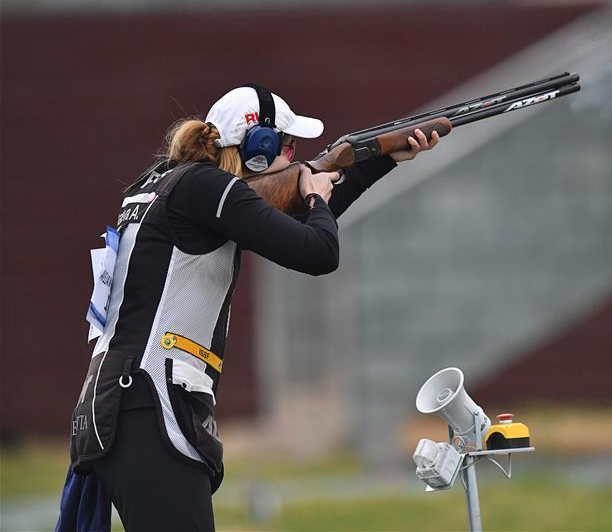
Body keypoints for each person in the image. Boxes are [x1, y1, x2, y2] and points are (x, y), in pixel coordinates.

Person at [61, 84, 439, 531]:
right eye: (287, 144)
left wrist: (382, 159)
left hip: (118, 407)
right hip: (149, 409)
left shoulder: (167, 182)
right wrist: (316, 194)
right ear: (258, 149)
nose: (295, 154)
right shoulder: (206, 188)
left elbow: (293, 224)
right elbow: (318, 250)